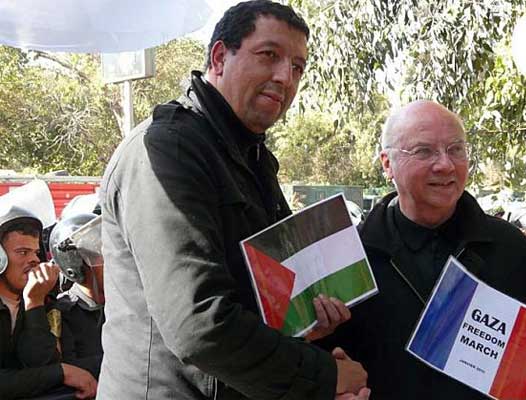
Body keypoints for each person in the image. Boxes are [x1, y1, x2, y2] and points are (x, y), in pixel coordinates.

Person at [98, 1, 367, 399]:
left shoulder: (251, 156)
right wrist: (324, 377)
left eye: (297, 67)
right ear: (220, 57)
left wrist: (305, 319)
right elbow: (199, 323)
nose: (284, 77)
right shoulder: (167, 150)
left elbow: (258, 295)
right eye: (269, 56)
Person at [317, 100, 526, 399]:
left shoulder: (512, 249)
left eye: (455, 149)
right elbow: (322, 363)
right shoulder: (348, 256)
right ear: (387, 164)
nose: (445, 164)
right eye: (424, 151)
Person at [0, 205, 97, 399]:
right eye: (22, 252)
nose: (34, 260)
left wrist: (34, 302)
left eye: (36, 253)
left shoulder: (43, 299)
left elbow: (39, 363)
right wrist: (62, 372)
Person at [51, 213, 104, 379]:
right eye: (99, 257)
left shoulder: (125, 303)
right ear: (75, 265)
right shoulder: (62, 312)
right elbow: (66, 367)